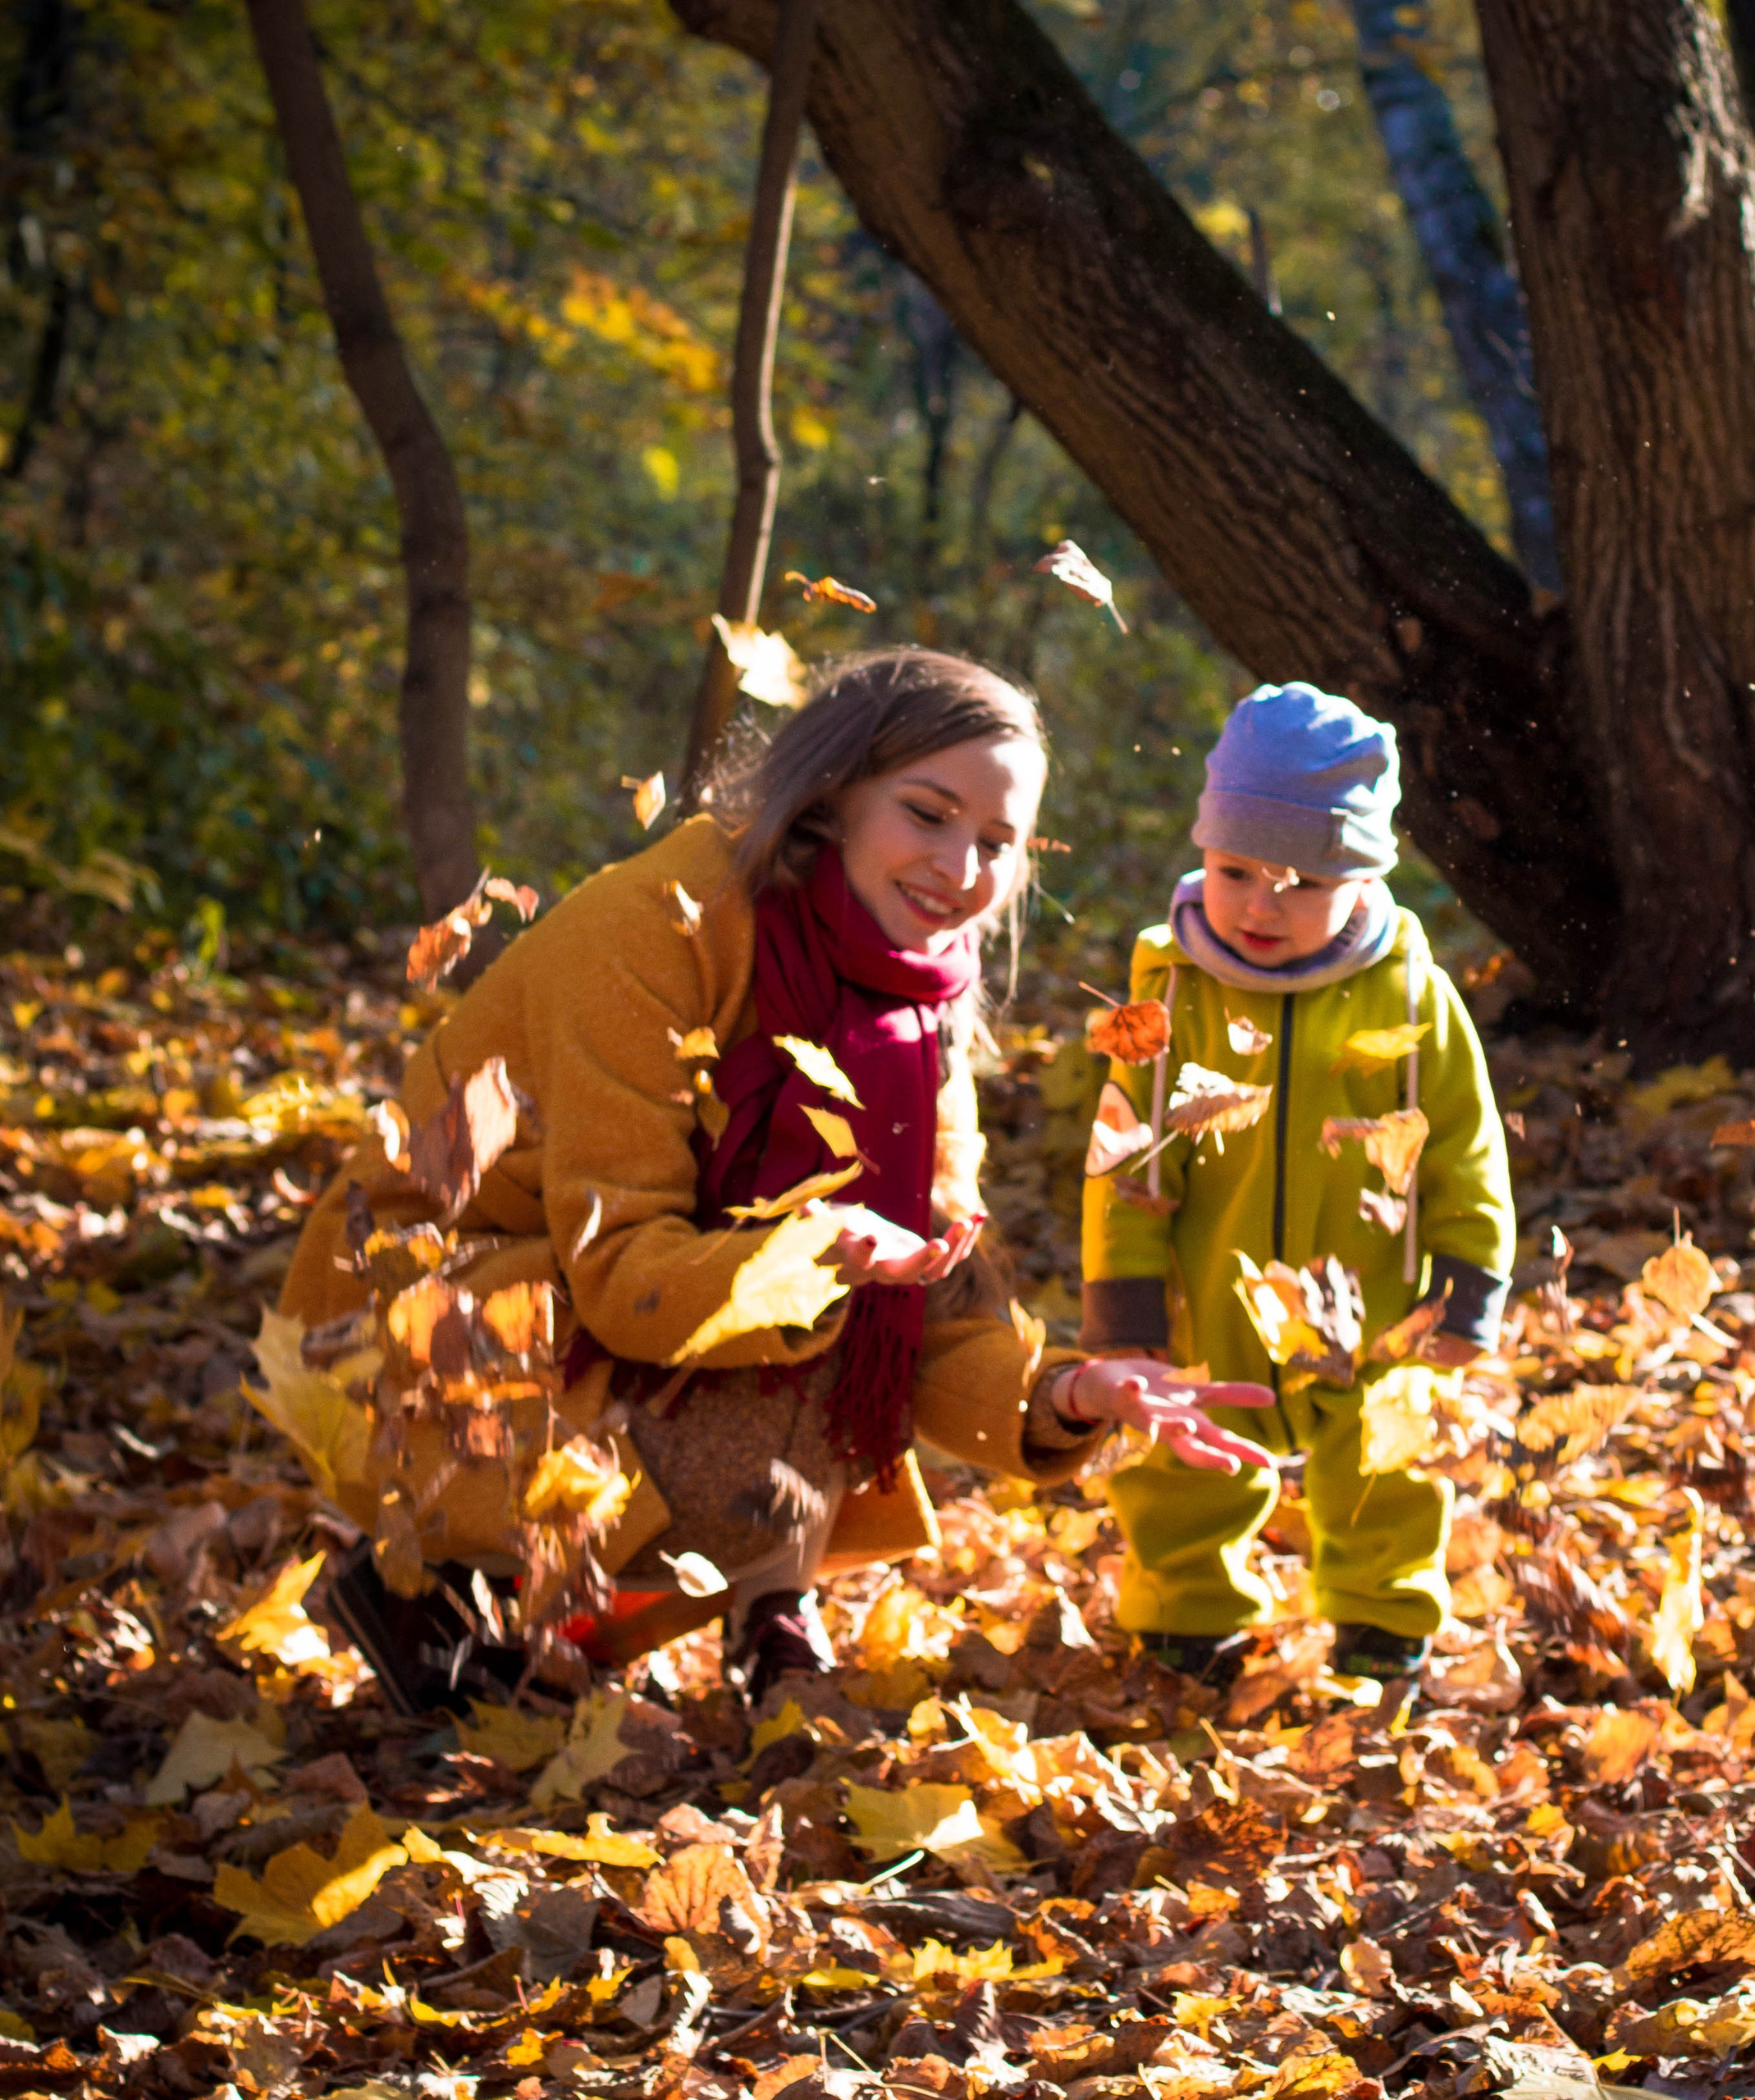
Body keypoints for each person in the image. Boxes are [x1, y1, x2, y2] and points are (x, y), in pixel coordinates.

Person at [279, 647, 1271, 1712]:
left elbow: (931, 1296)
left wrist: (1071, 1392)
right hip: (410, 1317)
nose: (961, 867)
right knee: (797, 1339)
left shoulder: (914, 1001)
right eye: (928, 813)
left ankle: (580, 1621)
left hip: (574, 1316)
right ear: (834, 793)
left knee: (831, 1328)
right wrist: (825, 1252)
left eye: (996, 843)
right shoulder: (650, 931)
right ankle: (451, 1582)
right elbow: (624, 1272)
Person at [1081, 682, 1515, 1687]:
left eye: (1302, 882)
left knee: (1384, 1467)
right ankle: (1186, 1630)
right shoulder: (1169, 991)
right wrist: (1126, 1299)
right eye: (1235, 871)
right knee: (1185, 1458)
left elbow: (1464, 1148)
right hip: (1211, 1295)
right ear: (1204, 852)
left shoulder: (1412, 994)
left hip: (1378, 1301)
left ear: (1362, 877)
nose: (1261, 905)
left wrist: (1465, 1291)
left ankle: (1381, 1632)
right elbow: (1125, 1158)